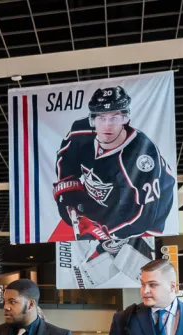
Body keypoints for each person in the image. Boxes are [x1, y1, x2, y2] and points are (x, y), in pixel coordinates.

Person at [50, 85, 176, 244]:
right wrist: (68, 197)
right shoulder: (79, 132)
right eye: (101, 118)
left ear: (125, 118)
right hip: (106, 198)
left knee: (131, 255)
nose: (107, 125)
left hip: (150, 212)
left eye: (114, 117)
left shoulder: (142, 155)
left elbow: (146, 215)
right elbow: (65, 160)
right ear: (92, 119)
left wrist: (105, 232)